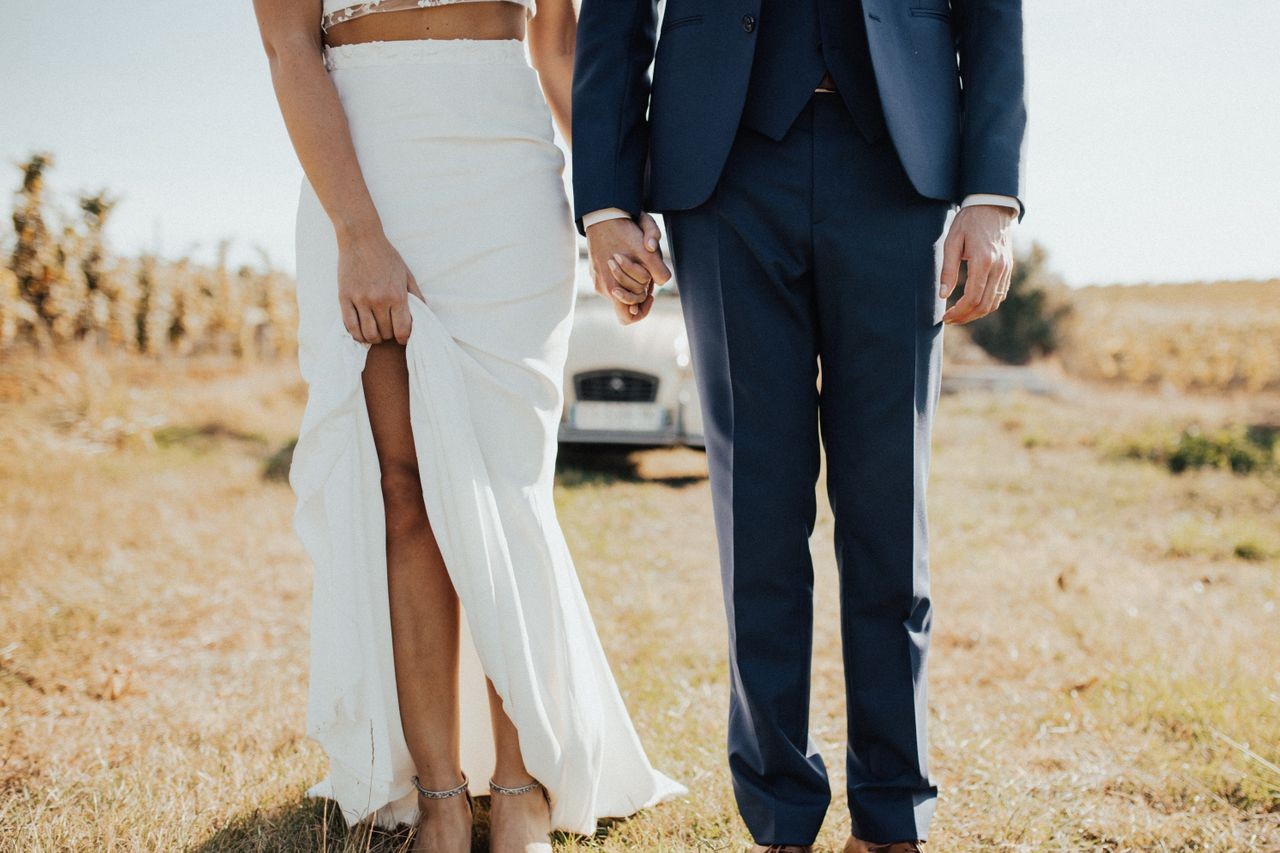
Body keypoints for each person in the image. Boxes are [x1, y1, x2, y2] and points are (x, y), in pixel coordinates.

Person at [572, 1, 1026, 851]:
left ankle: (892, 816)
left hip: (901, 165)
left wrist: (992, 190)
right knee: (759, 518)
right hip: (724, 169)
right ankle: (780, 818)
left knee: (891, 511)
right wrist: (605, 200)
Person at [252, 2, 685, 851]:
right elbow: (288, 44)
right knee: (401, 488)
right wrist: (357, 232)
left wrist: (613, 205)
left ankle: (520, 786)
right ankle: (442, 795)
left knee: (505, 483)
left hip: (508, 167)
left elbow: (559, 37)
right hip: (363, 163)